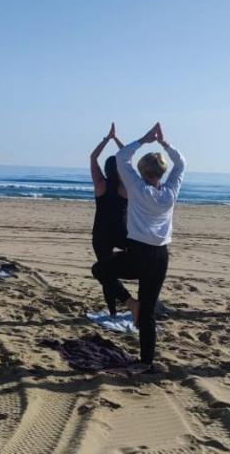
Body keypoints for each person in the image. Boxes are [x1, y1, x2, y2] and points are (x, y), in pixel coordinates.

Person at [92, 122, 185, 372]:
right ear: (162, 172)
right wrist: (165, 144)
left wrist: (144, 139)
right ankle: (146, 362)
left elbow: (123, 157)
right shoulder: (170, 192)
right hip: (160, 257)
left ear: (142, 170)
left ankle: (129, 302)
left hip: (138, 254)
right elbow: (181, 164)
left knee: (100, 271)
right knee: (148, 313)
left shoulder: (137, 187)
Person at [89, 122, 128, 316]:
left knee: (106, 273)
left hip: (101, 232)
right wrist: (117, 141)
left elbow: (93, 157)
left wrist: (107, 139)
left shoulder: (100, 184)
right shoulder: (126, 186)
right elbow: (129, 158)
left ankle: (113, 311)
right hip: (122, 232)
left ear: (106, 169)